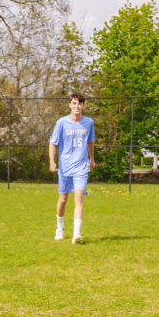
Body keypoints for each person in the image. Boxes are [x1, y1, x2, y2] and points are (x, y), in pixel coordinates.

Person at [49, 92, 95, 244]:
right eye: (74, 103)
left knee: (79, 198)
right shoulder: (61, 122)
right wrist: (52, 161)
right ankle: (59, 227)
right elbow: (52, 143)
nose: (77, 106)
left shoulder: (89, 123)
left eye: (79, 103)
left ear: (83, 106)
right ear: (70, 105)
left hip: (81, 167)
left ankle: (76, 234)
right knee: (63, 199)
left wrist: (92, 159)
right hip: (65, 167)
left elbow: (90, 142)